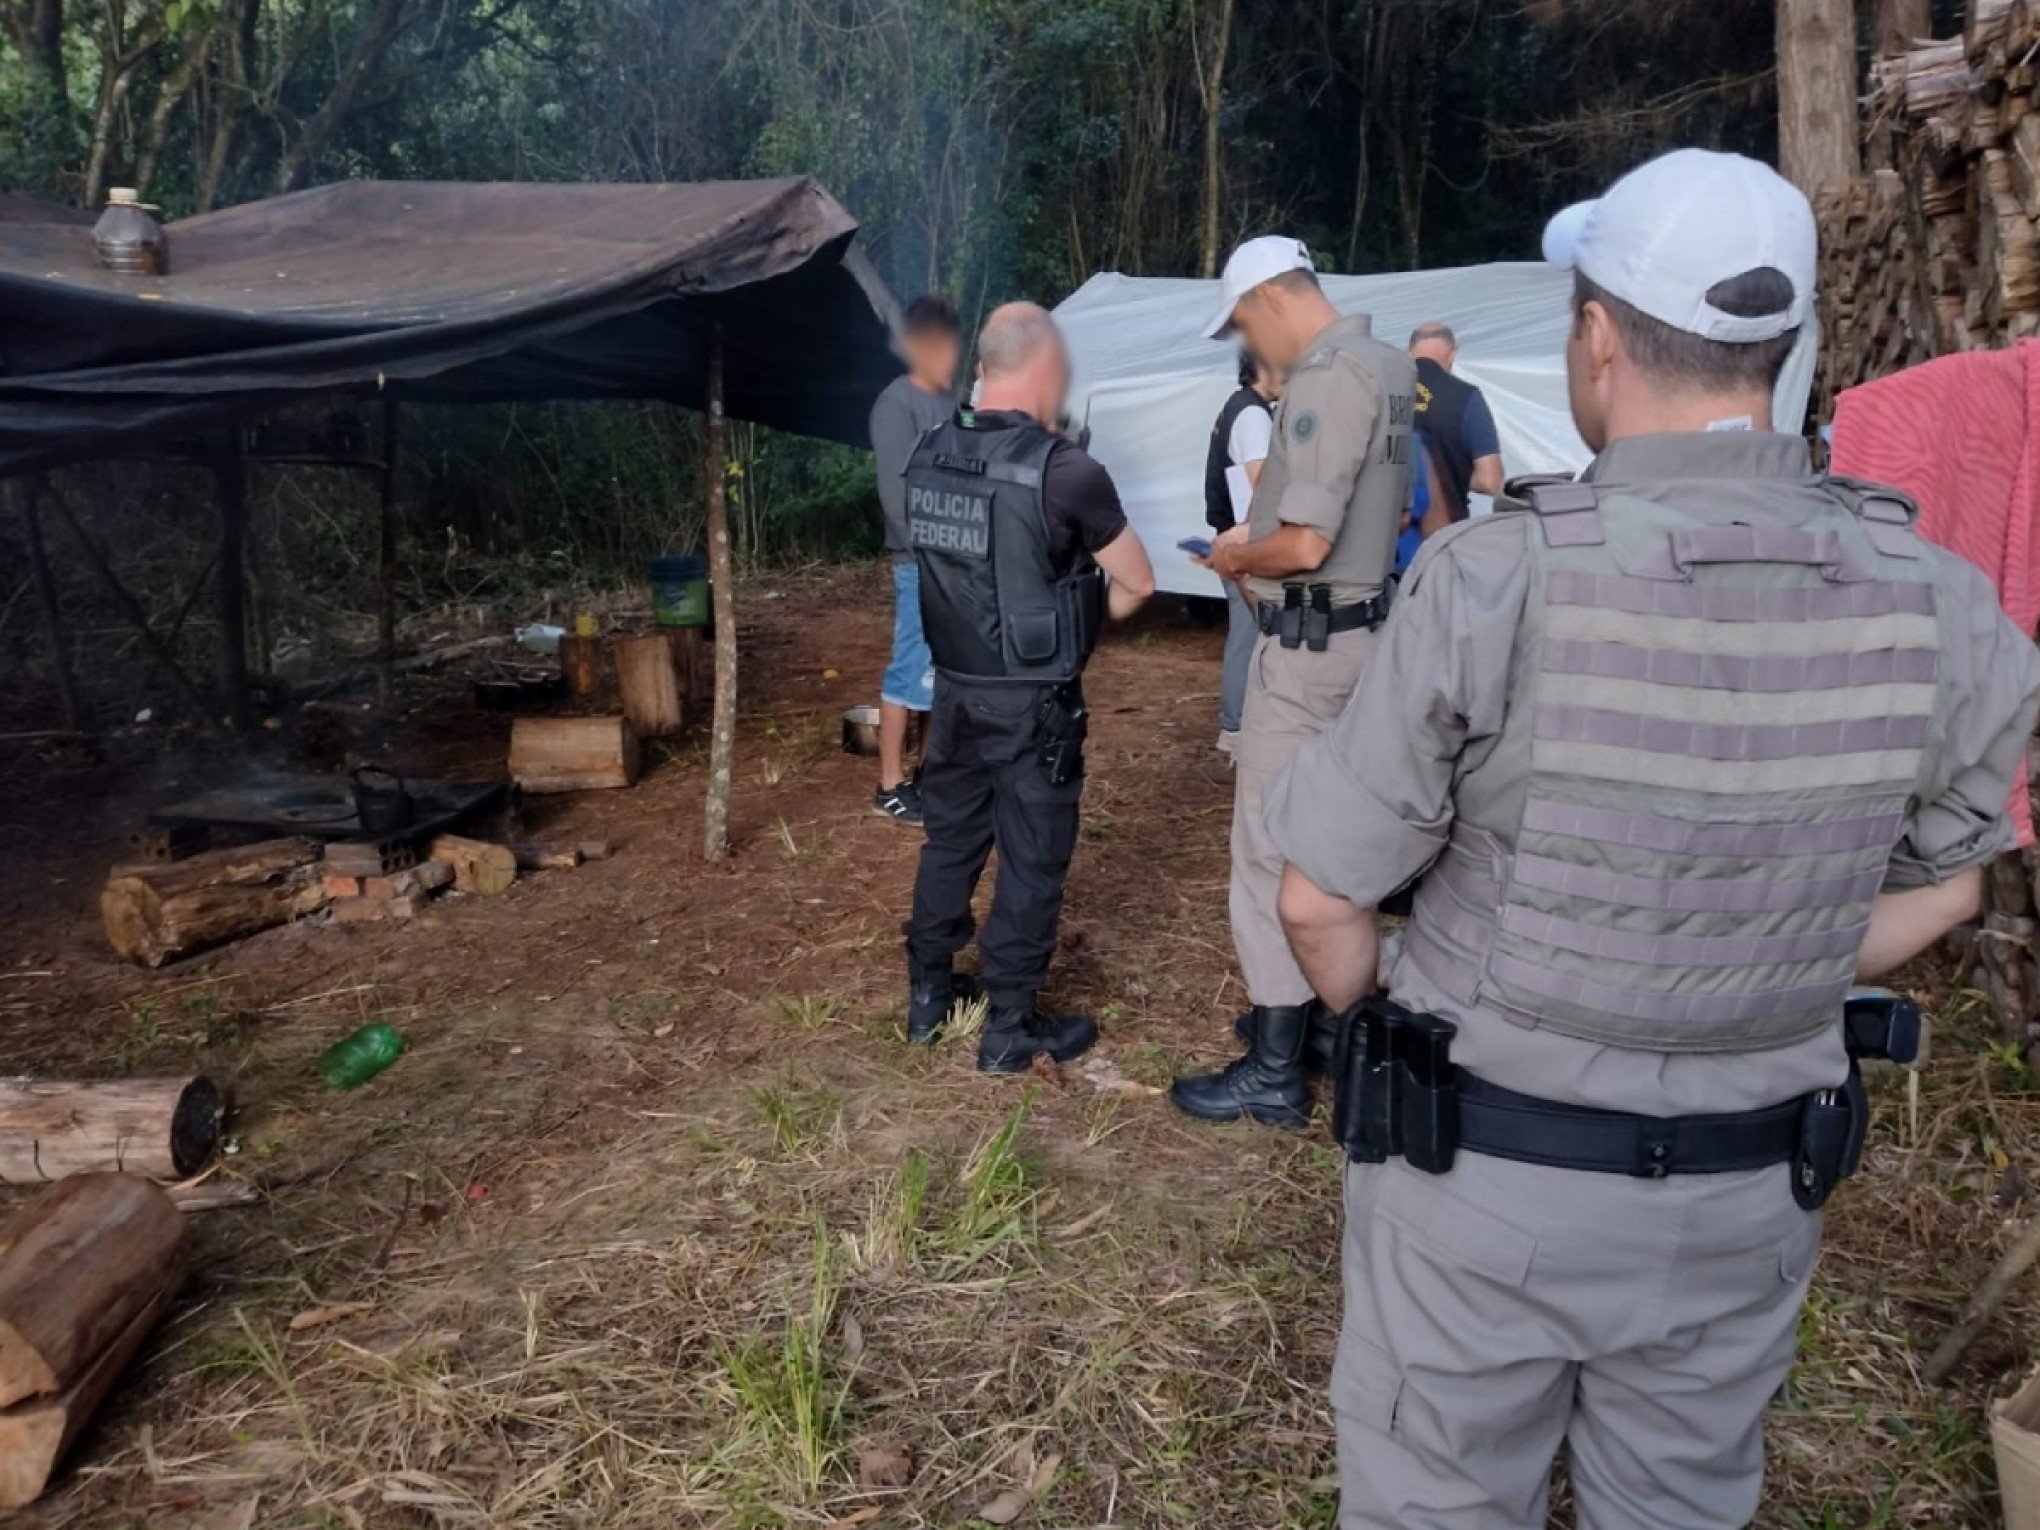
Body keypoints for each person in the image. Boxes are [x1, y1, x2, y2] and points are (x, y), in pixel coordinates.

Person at [1269, 148, 2040, 1527]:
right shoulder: (1944, 605)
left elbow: (1322, 897)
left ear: (1598, 337)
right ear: (1783, 350)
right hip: (1747, 1197)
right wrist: (1776, 964)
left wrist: (1380, 1012)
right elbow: (1947, 892)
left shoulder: (1495, 580)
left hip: (1479, 1181)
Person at [1169, 237, 1415, 1128]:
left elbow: (1305, 543)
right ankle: (1314, 1026)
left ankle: (1275, 1069)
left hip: (1310, 652)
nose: (1249, 344)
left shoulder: (1323, 376)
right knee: (1337, 842)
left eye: (1243, 321)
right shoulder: (1388, 365)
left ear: (1273, 298)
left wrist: (1237, 553)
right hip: (1364, 637)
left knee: (1270, 852)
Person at [901, 302, 1156, 1073]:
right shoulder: (1066, 470)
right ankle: (1009, 1026)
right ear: (1044, 368)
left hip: (953, 691)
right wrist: (1072, 624)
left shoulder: (927, 453)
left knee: (950, 838)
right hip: (1030, 700)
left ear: (984, 367)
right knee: (1032, 856)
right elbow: (1137, 582)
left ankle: (928, 996)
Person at [868, 294, 963, 826]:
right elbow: (895, 497)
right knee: (909, 665)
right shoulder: (895, 405)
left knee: (944, 668)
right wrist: (932, 550)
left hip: (956, 556)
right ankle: (890, 785)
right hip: (917, 558)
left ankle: (928, 773)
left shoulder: (953, 402)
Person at [1206, 349, 1281, 755]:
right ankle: (1235, 728)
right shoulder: (1252, 415)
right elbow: (1263, 483)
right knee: (1248, 634)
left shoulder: (1239, 407)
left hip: (1234, 537)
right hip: (1245, 544)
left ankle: (1237, 724)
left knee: (1246, 632)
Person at [1407, 319, 1503, 519]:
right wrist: (1454, 472)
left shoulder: (1381, 393)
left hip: (1390, 534)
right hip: (1446, 529)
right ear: (1452, 353)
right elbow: (1490, 481)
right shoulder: (1466, 396)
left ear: (1408, 352)